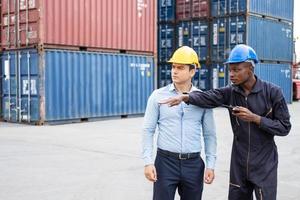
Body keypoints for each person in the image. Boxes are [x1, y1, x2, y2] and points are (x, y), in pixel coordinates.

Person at [160, 44, 291, 200]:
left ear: (250, 68)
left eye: (237, 70)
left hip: (264, 164)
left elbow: (284, 127)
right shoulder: (231, 92)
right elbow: (208, 97)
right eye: (230, 70)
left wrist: (255, 118)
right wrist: (185, 97)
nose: (231, 74)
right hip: (239, 163)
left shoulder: (272, 92)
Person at [142, 46, 217, 200]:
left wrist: (210, 164)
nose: (174, 71)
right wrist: (148, 161)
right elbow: (148, 130)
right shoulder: (158, 96)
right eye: (173, 67)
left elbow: (210, 135)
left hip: (193, 164)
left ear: (192, 71)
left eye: (180, 68)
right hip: (165, 163)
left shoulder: (202, 99)